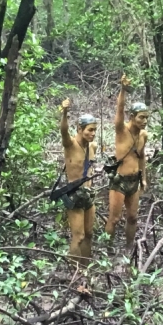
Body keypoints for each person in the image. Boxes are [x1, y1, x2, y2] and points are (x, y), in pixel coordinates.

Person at [106, 75, 148, 252]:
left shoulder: (143, 135)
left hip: (134, 181)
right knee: (114, 219)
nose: (144, 121)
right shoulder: (121, 131)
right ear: (132, 117)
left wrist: (144, 178)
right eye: (141, 118)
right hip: (119, 181)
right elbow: (120, 109)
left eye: (146, 118)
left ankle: (129, 248)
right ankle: (107, 247)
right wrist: (123, 90)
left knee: (132, 217)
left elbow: (142, 157)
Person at [59, 99, 98, 264]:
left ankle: (85, 267)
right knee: (79, 236)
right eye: (90, 130)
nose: (93, 133)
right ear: (80, 129)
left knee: (89, 233)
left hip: (88, 195)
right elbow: (63, 131)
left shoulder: (92, 147)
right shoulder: (70, 145)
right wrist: (65, 113)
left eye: (95, 130)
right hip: (74, 195)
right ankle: (73, 269)